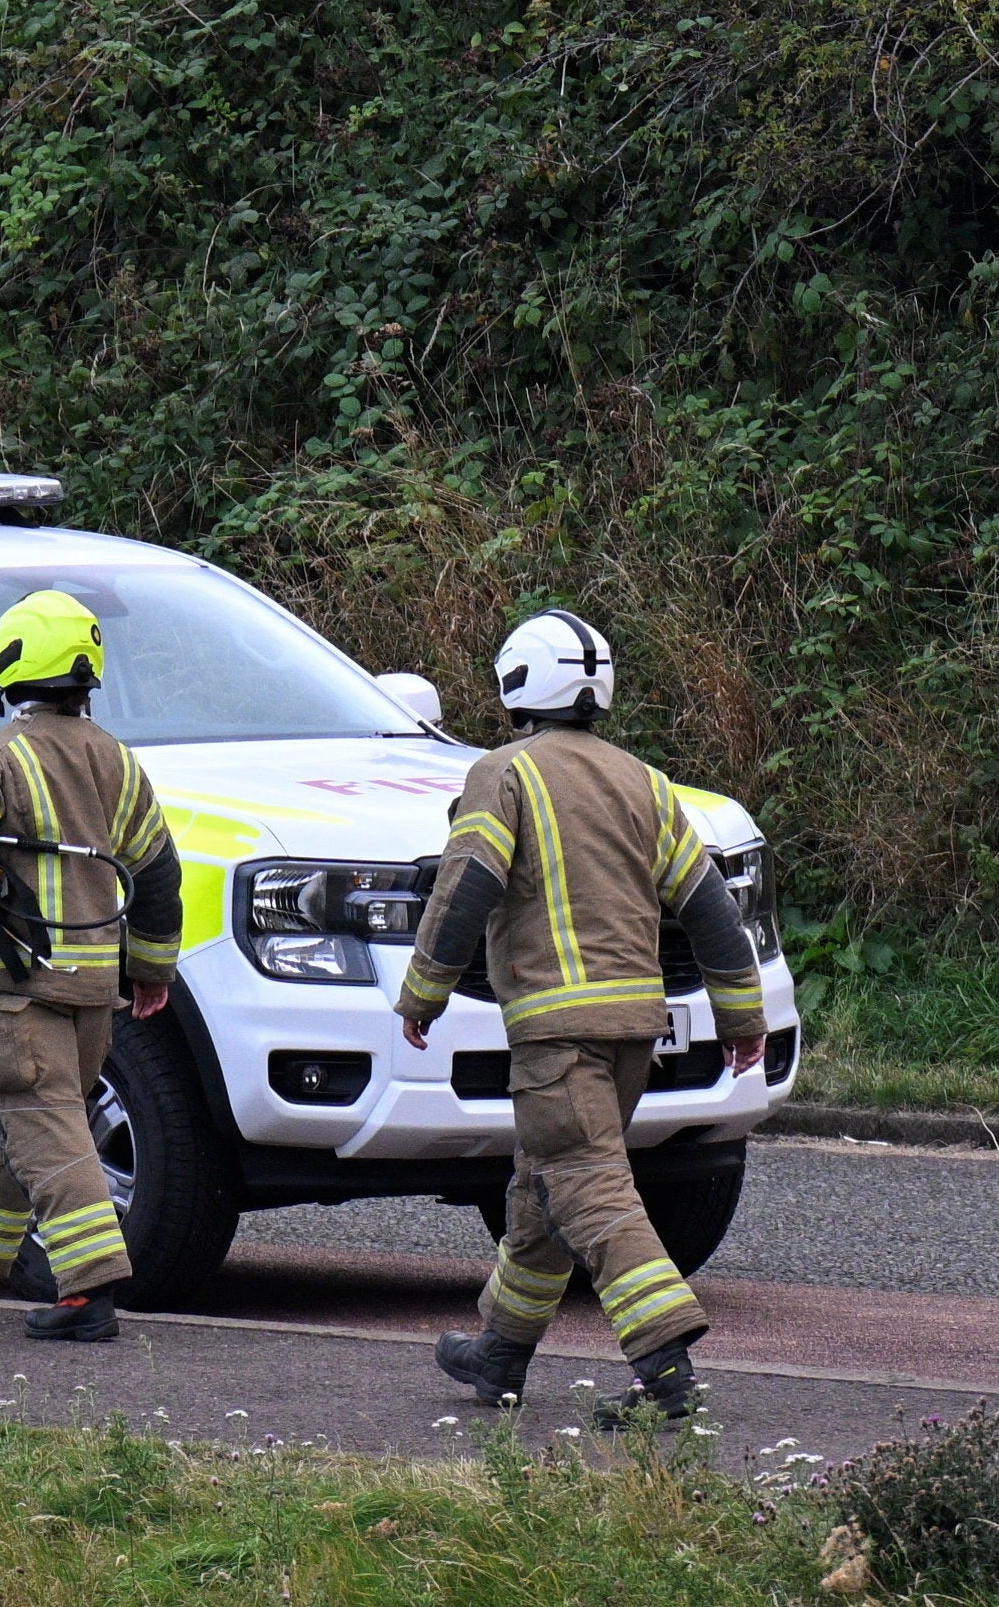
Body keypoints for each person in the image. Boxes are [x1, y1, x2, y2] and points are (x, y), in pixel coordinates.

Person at [393, 607, 760, 1426]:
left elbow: (468, 887)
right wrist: (742, 1020)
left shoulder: (504, 773)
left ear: (515, 682)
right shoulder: (645, 781)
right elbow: (709, 910)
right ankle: (501, 1353)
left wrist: (423, 992)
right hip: (635, 1033)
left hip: (557, 1035)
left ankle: (666, 1366)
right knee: (543, 1188)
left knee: (589, 1187)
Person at [0, 586, 183, 1342]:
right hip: (94, 992)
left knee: (47, 1125)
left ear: (12, 666)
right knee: (21, 1126)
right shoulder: (117, 762)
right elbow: (157, 871)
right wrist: (151, 970)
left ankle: (89, 1294)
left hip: (20, 988)